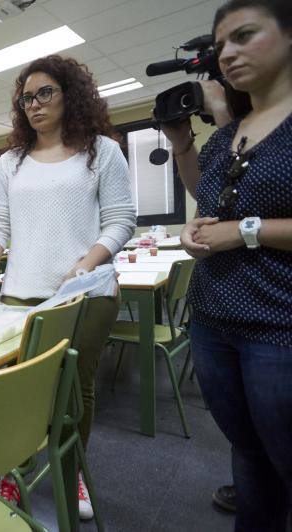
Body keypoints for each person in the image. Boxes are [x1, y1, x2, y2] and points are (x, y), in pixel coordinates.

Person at [0, 55, 136, 520]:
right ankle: (17, 468)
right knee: (22, 391)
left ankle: (73, 470)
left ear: (70, 94)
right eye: (27, 98)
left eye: (46, 93)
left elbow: (121, 219)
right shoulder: (9, 163)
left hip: (88, 293)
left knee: (76, 390)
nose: (35, 104)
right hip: (22, 292)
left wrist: (85, 263)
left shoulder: (101, 150)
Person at [161, 1, 292, 529]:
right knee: (249, 455)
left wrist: (241, 233)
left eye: (245, 36)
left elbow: (236, 225)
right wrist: (198, 226)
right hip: (214, 321)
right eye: (221, 47)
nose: (228, 54)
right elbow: (207, 199)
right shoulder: (232, 130)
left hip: (277, 325)